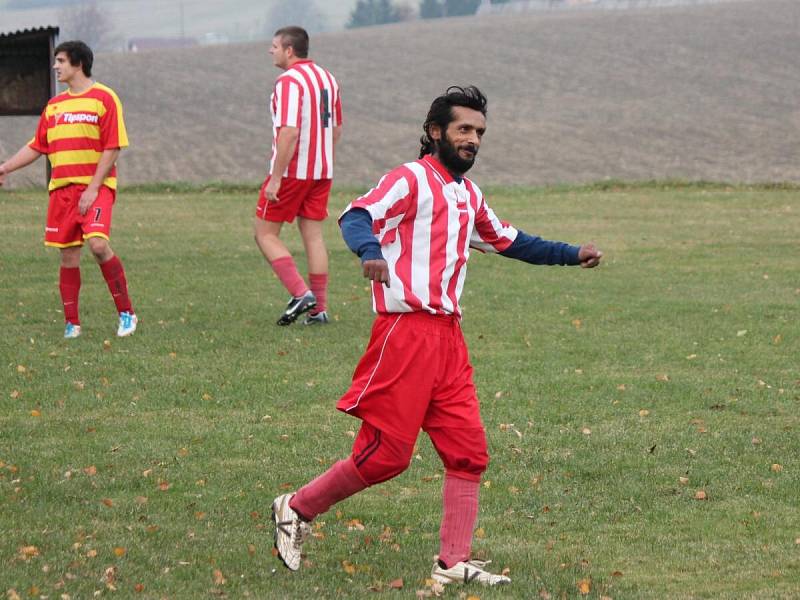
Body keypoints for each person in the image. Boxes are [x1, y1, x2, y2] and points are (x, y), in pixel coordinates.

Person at [270, 86, 603, 586]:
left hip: (449, 339)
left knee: (469, 451)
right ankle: (295, 508)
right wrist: (369, 253)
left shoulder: (468, 195)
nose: (472, 140)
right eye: (464, 130)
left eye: (480, 133)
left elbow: (512, 241)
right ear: (435, 133)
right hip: (405, 334)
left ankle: (453, 563)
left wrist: (571, 253)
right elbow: (356, 215)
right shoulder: (410, 179)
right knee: (386, 457)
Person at [0, 40, 136, 339]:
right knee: (68, 257)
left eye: (60, 60)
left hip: (95, 188)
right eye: (55, 61)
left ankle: (127, 313)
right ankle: (72, 324)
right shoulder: (54, 105)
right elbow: (37, 146)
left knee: (98, 245)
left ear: (79, 64)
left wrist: (93, 188)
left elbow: (113, 147)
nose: (56, 66)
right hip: (62, 192)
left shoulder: (105, 98)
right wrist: (6, 167)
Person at [254, 26, 343, 326]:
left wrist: (276, 178)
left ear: (289, 50)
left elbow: (289, 132)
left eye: (275, 46)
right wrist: (322, 158)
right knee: (314, 236)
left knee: (265, 234)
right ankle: (319, 310)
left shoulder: (289, 82)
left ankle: (300, 293)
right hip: (322, 171)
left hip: (293, 171)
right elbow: (337, 129)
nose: (271, 50)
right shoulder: (328, 78)